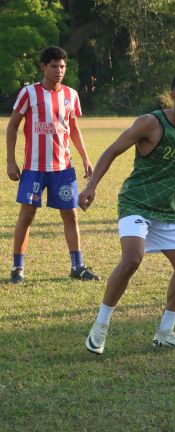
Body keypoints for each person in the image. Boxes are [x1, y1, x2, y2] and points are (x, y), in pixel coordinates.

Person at [80, 72, 175, 355]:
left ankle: (165, 332)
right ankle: (100, 327)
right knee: (132, 259)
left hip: (167, 209)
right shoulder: (151, 123)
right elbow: (113, 150)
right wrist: (91, 186)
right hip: (136, 202)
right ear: (174, 96)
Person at [5, 46, 100, 284]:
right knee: (26, 216)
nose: (59, 71)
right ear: (43, 67)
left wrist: (86, 158)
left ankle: (77, 266)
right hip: (34, 168)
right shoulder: (29, 93)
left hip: (63, 169)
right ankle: (17, 268)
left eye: (62, 66)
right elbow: (13, 125)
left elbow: (74, 129)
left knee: (71, 215)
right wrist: (10, 160)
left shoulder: (71, 94)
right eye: (54, 66)